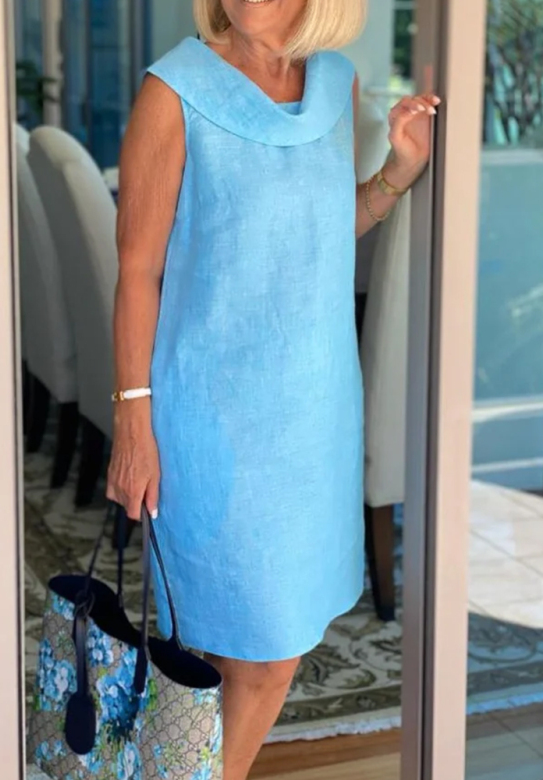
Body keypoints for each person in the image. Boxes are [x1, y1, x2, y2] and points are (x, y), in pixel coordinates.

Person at [107, 1, 438, 777]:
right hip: (213, 424)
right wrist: (132, 424)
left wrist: (396, 173)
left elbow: (318, 231)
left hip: (312, 421)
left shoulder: (335, 85)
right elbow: (137, 271)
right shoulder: (174, 91)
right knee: (247, 653)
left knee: (260, 653)